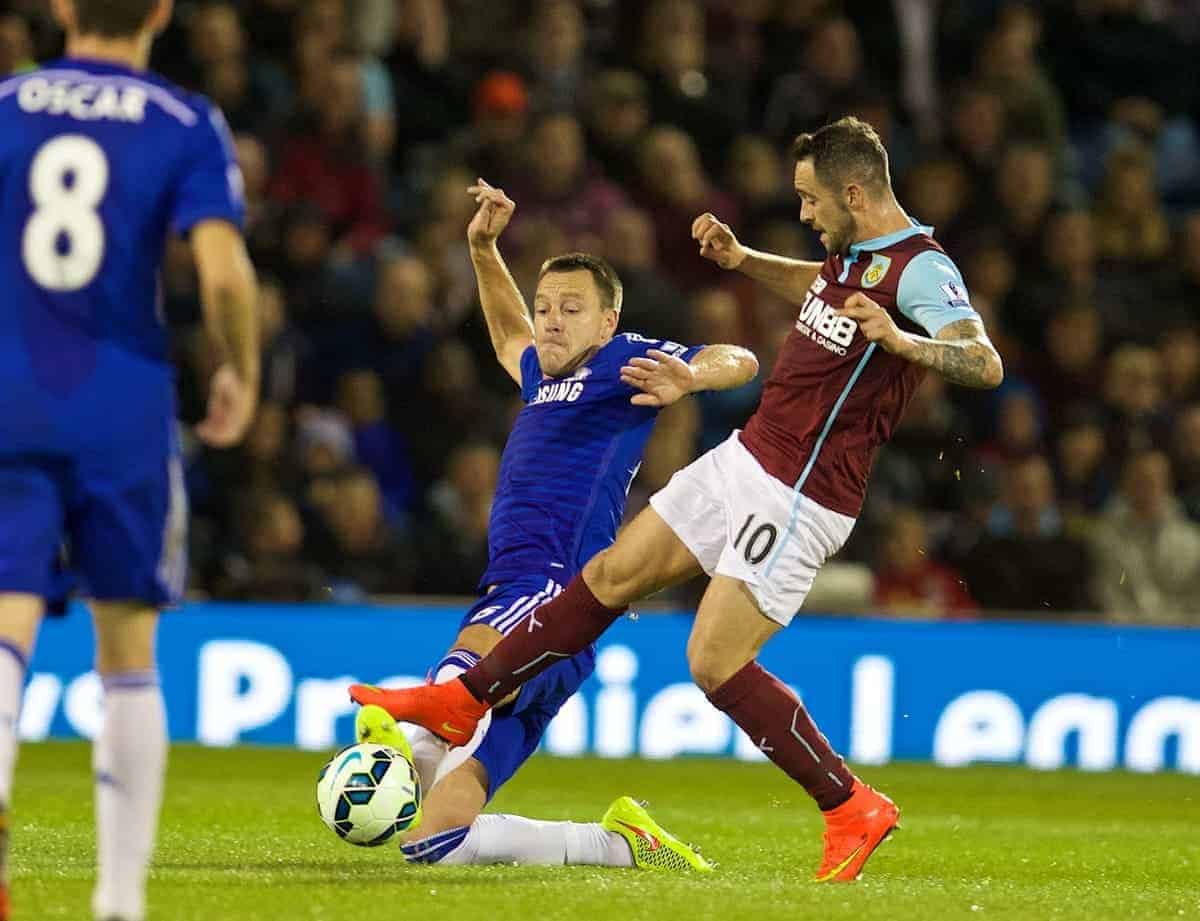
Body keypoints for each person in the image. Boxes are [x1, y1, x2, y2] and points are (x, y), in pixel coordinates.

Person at [353, 117, 1004, 883]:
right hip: (748, 455)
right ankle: (465, 700)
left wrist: (901, 340)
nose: (803, 214)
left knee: (713, 659)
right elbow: (821, 289)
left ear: (853, 192)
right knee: (609, 575)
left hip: (800, 488)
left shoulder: (921, 269)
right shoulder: (850, 258)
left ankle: (848, 802)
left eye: (808, 200)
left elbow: (981, 360)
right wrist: (744, 260)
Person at [358, 179, 757, 870]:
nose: (551, 320)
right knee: (434, 846)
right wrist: (483, 246)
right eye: (547, 306)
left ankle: (401, 741)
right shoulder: (542, 374)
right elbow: (508, 333)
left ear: (607, 322)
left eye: (572, 309)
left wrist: (690, 379)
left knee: (460, 682)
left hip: (550, 594)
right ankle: (619, 846)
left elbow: (740, 359)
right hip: (522, 596)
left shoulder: (623, 361)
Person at [0, 1, 259, 918]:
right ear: (161, 10)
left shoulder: (7, 101)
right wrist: (239, 368)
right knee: (128, 649)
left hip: (10, 389)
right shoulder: (183, 121)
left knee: (5, 627)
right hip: (121, 402)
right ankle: (118, 902)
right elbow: (223, 273)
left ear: (63, 6)